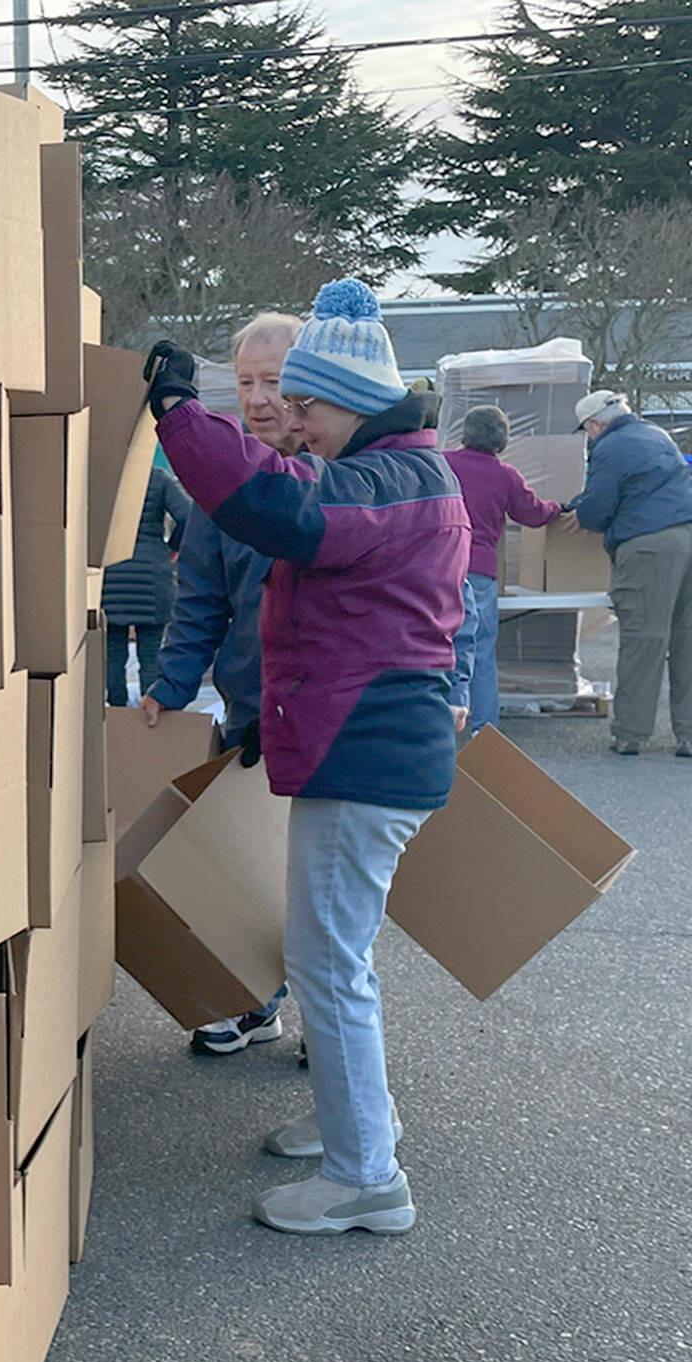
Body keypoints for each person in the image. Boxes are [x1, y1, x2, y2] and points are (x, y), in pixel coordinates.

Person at [146, 277, 473, 1237]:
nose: (295, 419)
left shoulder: (393, 483)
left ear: (357, 401)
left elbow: (281, 510)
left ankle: (367, 1175)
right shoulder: (406, 474)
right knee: (332, 955)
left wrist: (177, 412)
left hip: (366, 760)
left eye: (307, 402)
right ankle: (354, 1125)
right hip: (365, 749)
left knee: (326, 962)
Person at [140, 311, 304, 1057]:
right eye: (245, 382)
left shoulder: (328, 470)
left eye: (273, 381)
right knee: (255, 868)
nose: (259, 397)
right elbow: (201, 599)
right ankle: (256, 998)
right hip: (249, 716)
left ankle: (333, 1022)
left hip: (324, 720)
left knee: (325, 882)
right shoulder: (216, 487)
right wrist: (169, 687)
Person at [565, 390, 692, 756]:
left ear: (595, 424)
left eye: (586, 432)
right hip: (687, 536)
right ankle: (688, 735)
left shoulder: (611, 446)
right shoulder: (656, 434)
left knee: (644, 640)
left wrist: (580, 513)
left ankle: (631, 734)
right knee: (686, 638)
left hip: (650, 548)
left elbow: (598, 508)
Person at [443, 405, 566, 733]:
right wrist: (558, 509)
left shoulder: (442, 463)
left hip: (439, 566)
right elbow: (533, 514)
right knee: (480, 653)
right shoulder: (505, 475)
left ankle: (435, 721)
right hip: (480, 570)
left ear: (465, 434)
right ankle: (484, 730)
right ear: (502, 440)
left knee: (434, 645)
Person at [102, 463, 191, 707]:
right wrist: (173, 547)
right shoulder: (158, 478)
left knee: (113, 654)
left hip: (111, 574)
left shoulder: (100, 477)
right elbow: (187, 515)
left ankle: (115, 718)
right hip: (153, 576)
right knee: (151, 656)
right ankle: (148, 720)